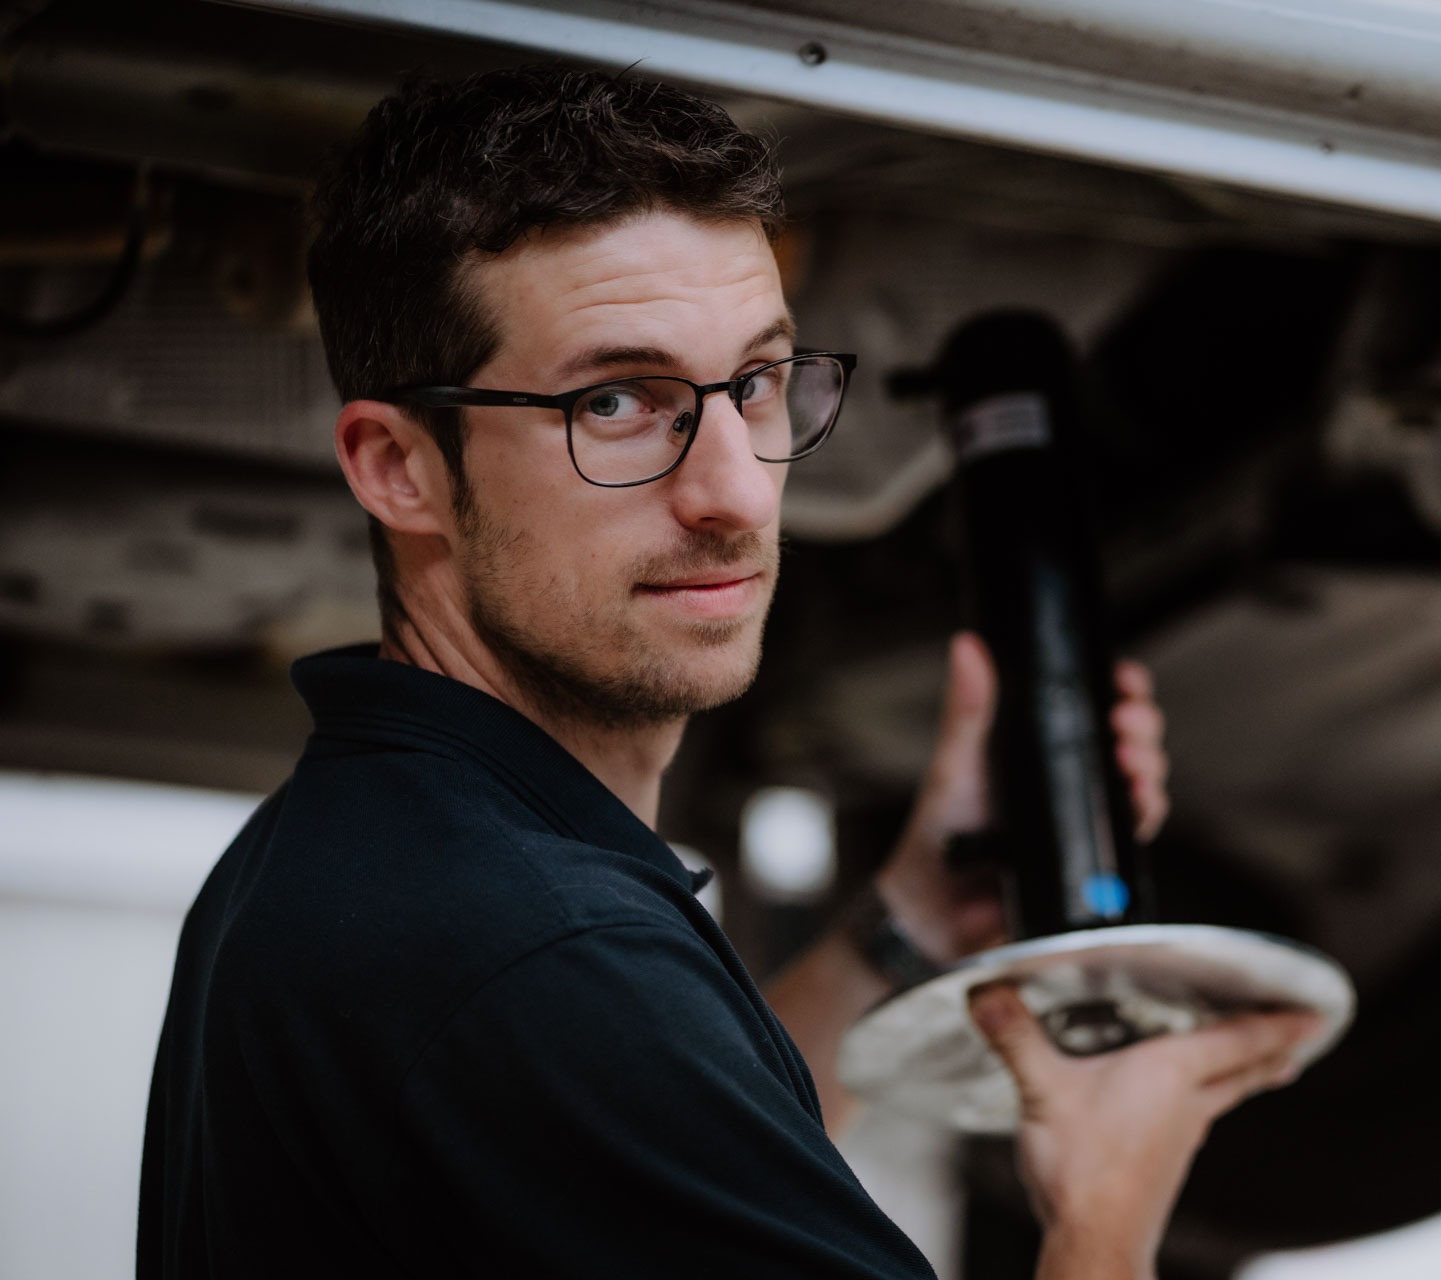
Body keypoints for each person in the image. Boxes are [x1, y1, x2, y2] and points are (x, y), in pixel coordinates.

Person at [137, 65, 1318, 1280]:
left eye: (754, 384)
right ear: (399, 466)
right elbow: (587, 1031)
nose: (739, 491)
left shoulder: (353, 849)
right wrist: (1104, 1193)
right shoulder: (533, 947)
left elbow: (658, 1163)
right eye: (615, 401)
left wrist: (905, 923)